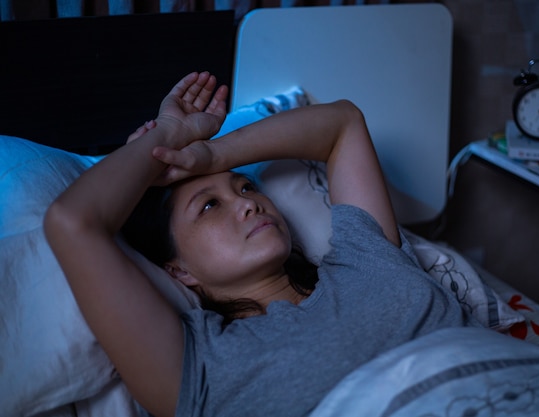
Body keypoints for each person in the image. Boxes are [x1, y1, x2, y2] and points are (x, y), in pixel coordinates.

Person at [44, 71, 473, 417]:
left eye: (246, 188)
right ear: (179, 270)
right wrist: (168, 135)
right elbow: (73, 223)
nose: (248, 205)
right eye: (210, 206)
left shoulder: (365, 258)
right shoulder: (201, 368)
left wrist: (213, 155)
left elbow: (343, 123)